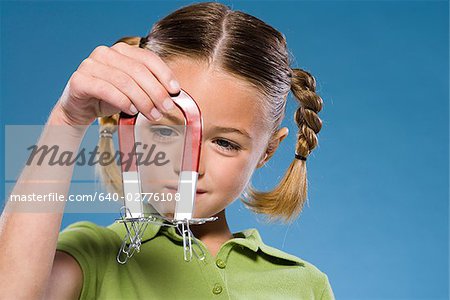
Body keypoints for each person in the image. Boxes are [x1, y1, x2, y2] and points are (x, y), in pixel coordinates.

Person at [0, 2, 334, 299]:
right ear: (123, 123)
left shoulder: (304, 285)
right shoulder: (91, 258)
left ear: (267, 152)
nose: (189, 165)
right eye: (164, 130)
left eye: (225, 143)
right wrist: (67, 121)